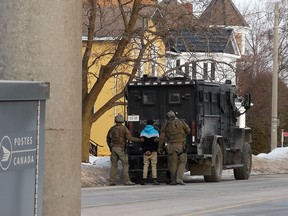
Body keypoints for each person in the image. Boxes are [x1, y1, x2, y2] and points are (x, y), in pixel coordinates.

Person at [106, 114, 142, 186]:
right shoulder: (124, 128)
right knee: (125, 164)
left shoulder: (112, 129)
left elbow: (108, 139)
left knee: (113, 165)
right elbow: (130, 138)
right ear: (122, 120)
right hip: (121, 149)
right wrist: (139, 140)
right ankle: (127, 181)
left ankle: (112, 181)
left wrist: (110, 148)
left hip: (113, 148)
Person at [158, 111, 190, 185]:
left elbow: (162, 137)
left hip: (171, 146)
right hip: (181, 146)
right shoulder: (181, 122)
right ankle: (179, 178)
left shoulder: (165, 125)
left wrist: (160, 147)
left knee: (173, 163)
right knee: (182, 161)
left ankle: (173, 180)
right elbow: (188, 130)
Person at [140, 119, 160, 185]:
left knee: (145, 165)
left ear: (147, 124)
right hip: (153, 152)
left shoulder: (142, 132)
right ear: (152, 124)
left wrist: (146, 150)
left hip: (145, 153)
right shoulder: (155, 132)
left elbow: (142, 143)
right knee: (153, 165)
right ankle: (154, 179)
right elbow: (156, 143)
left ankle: (144, 179)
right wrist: (151, 150)